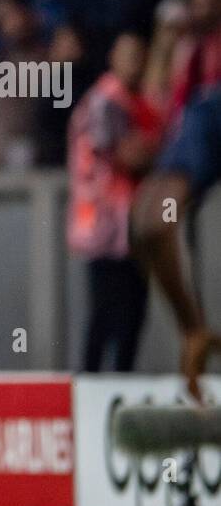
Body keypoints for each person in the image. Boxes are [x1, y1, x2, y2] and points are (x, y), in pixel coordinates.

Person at [67, 33, 163, 373]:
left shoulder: (135, 102)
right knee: (107, 312)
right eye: (130, 57)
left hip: (132, 227)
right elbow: (130, 155)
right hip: (107, 229)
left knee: (133, 312)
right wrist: (164, 147)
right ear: (114, 58)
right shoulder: (106, 102)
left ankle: (121, 382)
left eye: (141, 57)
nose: (137, 65)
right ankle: (92, 388)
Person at [132, 88, 221, 402]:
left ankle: (195, 331)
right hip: (201, 109)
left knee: (153, 219)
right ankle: (193, 330)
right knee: (146, 220)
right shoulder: (202, 109)